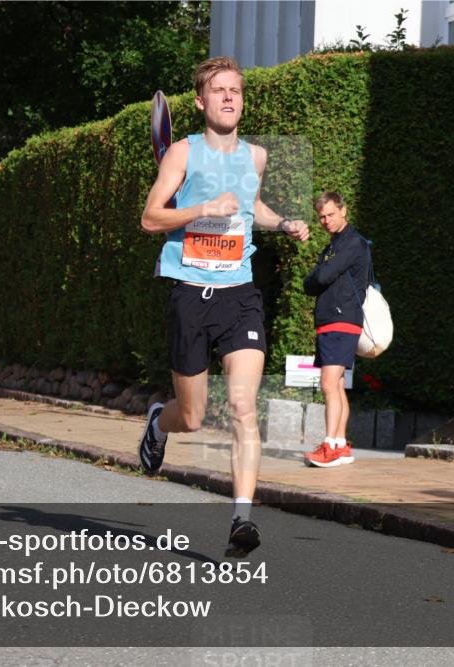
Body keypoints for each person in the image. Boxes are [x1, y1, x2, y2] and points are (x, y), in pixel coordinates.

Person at [138, 56, 309, 557]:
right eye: (219, 90)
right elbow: (151, 218)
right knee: (190, 417)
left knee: (241, 406)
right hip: (190, 292)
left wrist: (282, 225)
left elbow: (250, 206)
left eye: (236, 90)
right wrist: (203, 209)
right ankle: (156, 423)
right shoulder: (182, 154)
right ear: (200, 101)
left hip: (239, 294)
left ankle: (242, 520)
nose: (230, 97)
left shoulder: (255, 157)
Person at [301, 192, 370, 468]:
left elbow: (323, 276)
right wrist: (318, 275)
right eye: (321, 217)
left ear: (344, 210)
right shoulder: (335, 244)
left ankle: (330, 445)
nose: (326, 221)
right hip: (333, 320)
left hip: (342, 319)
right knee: (338, 385)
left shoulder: (353, 243)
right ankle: (340, 445)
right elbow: (310, 284)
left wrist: (319, 274)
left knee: (329, 384)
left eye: (330, 214)